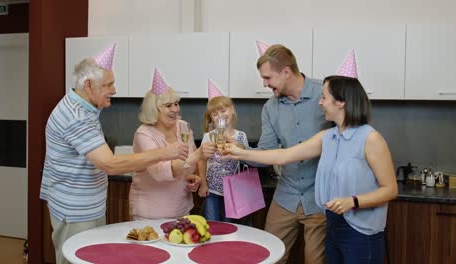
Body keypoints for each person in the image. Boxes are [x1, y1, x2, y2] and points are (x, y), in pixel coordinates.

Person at [225, 75, 398, 264]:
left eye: (324, 97)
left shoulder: (370, 139)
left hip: (362, 233)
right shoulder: (328, 137)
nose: (320, 102)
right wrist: (239, 153)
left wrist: (353, 201)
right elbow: (284, 155)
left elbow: (390, 189)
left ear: (341, 102)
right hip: (333, 225)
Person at [40, 45, 189, 264]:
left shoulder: (85, 108)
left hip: (85, 205)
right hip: (75, 210)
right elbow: (109, 164)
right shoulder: (77, 116)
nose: (114, 90)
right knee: (74, 260)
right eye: (108, 85)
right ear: (89, 85)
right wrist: (165, 152)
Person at [248, 43, 329, 263]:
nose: (265, 84)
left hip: (320, 197)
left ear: (286, 72)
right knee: (268, 258)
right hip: (286, 196)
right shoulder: (270, 108)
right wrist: (237, 150)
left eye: (268, 78)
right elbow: (266, 154)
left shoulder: (325, 94)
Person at [129, 69, 215, 220]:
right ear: (154, 109)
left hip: (182, 210)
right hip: (150, 213)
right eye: (169, 105)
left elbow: (189, 164)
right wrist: (197, 155)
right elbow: (160, 172)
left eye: (176, 103)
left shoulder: (183, 126)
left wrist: (191, 177)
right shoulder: (144, 134)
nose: (175, 109)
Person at [197, 81, 249, 222]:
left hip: (234, 191)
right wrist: (203, 184)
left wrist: (233, 142)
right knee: (212, 224)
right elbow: (201, 160)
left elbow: (246, 158)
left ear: (231, 110)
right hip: (212, 190)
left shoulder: (241, 136)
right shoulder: (208, 136)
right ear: (211, 119)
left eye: (223, 110)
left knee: (230, 226)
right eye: (215, 114)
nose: (220, 115)